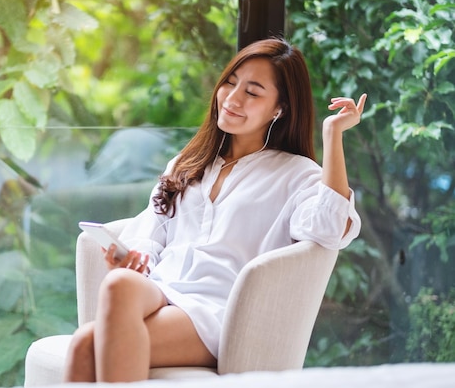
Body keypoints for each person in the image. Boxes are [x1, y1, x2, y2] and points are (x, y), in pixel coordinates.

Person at [63, 37, 365, 382]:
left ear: (279, 109)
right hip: (162, 290)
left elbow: (328, 229)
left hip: (216, 311)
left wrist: (333, 135)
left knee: (84, 346)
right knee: (118, 284)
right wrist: (132, 258)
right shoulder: (188, 164)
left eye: (252, 92)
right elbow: (150, 234)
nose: (233, 99)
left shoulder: (296, 174)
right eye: (230, 83)